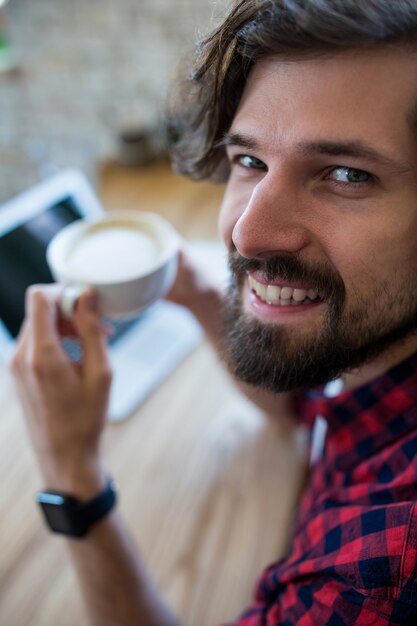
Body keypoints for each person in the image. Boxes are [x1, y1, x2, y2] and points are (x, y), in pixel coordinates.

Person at [11, 0, 417, 624]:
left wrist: (73, 480)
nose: (247, 235)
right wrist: (200, 293)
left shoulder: (372, 585)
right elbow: (299, 404)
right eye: (249, 161)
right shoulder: (378, 355)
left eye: (346, 174)